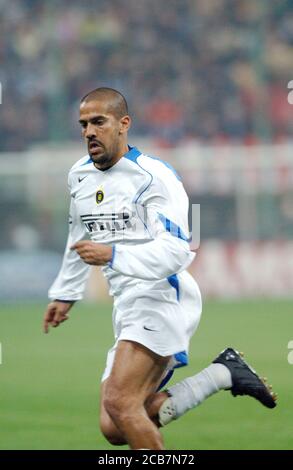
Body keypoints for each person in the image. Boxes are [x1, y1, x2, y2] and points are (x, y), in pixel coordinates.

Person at [43, 87, 277, 450]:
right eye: (83, 124)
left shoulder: (154, 177)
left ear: (124, 124)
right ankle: (222, 374)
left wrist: (114, 255)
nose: (89, 132)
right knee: (114, 426)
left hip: (161, 294)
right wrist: (66, 292)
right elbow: (80, 232)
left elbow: (178, 252)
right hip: (127, 303)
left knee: (121, 403)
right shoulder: (79, 176)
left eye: (98, 122)